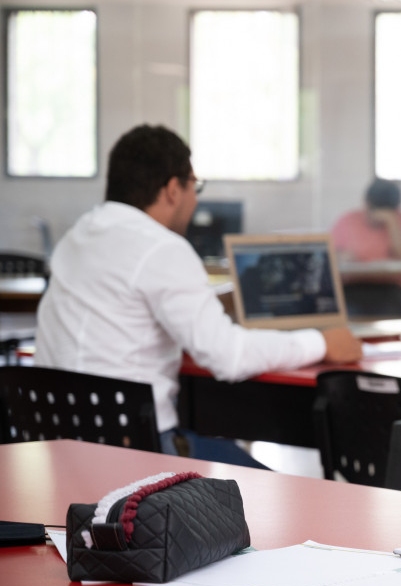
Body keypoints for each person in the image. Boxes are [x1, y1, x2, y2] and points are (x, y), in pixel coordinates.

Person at [35, 124, 362, 467]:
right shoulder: (162, 248)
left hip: (58, 449)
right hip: (134, 455)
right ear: (173, 189)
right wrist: (322, 343)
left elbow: (125, 301)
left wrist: (217, 301)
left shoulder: (77, 237)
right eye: (196, 186)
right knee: (288, 495)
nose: (195, 198)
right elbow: (228, 356)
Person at [331, 178, 401, 316]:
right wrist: (342, 257)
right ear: (366, 203)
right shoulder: (348, 220)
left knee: (390, 312)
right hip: (352, 288)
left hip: (390, 289)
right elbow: (331, 258)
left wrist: (392, 223)